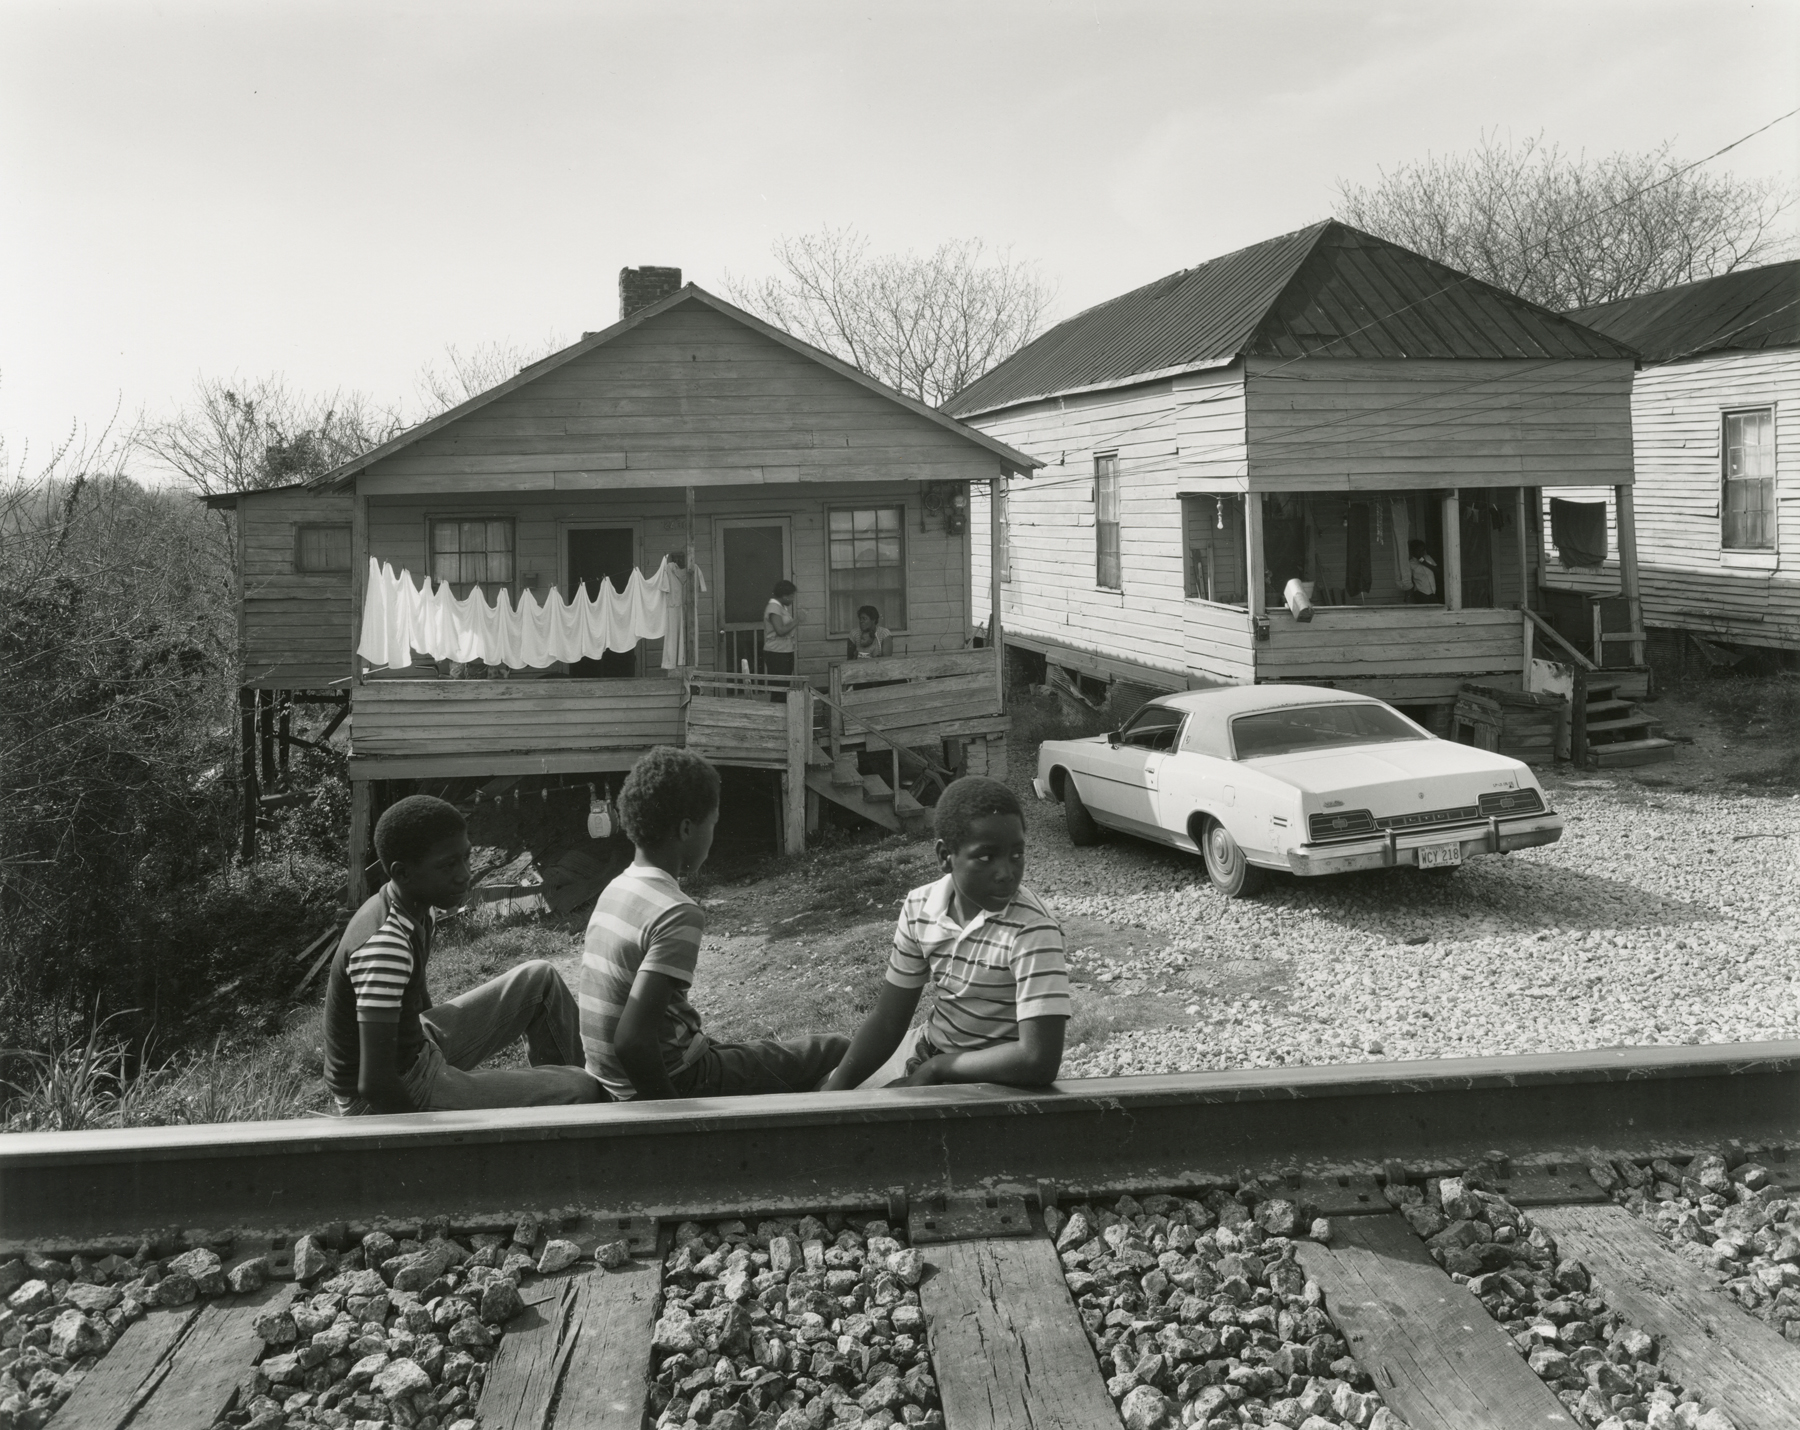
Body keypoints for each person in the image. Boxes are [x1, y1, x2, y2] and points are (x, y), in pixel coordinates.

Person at [580, 746, 848, 1099]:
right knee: (836, 1049)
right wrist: (673, 1123)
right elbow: (632, 1042)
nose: (712, 836)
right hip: (684, 1077)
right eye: (713, 825)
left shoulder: (616, 888)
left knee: (753, 1054)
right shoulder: (677, 912)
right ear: (688, 829)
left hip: (616, 1078)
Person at [323, 795, 600, 1114]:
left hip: (414, 1049)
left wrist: (444, 1054)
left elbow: (417, 1004)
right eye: (448, 865)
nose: (465, 874)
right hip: (391, 1092)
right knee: (582, 1090)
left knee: (540, 979)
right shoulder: (386, 945)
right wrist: (425, 1139)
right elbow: (374, 1084)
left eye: (466, 858)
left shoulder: (416, 906)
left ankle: (575, 1100)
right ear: (403, 873)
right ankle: (585, 1108)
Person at [822, 776, 1070, 1091]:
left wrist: (938, 1070)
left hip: (999, 1080)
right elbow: (888, 1021)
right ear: (944, 856)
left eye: (1016, 855)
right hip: (931, 1054)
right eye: (986, 857)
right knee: (819, 1066)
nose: (1006, 873)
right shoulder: (920, 906)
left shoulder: (1033, 929)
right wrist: (834, 1094)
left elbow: (1038, 1060)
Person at [762, 579, 799, 681]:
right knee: (780, 687)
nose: (793, 599)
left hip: (784, 651)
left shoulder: (780, 607)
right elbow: (780, 631)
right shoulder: (774, 608)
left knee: (784, 687)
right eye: (791, 596)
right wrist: (797, 620)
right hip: (777, 653)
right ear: (784, 596)